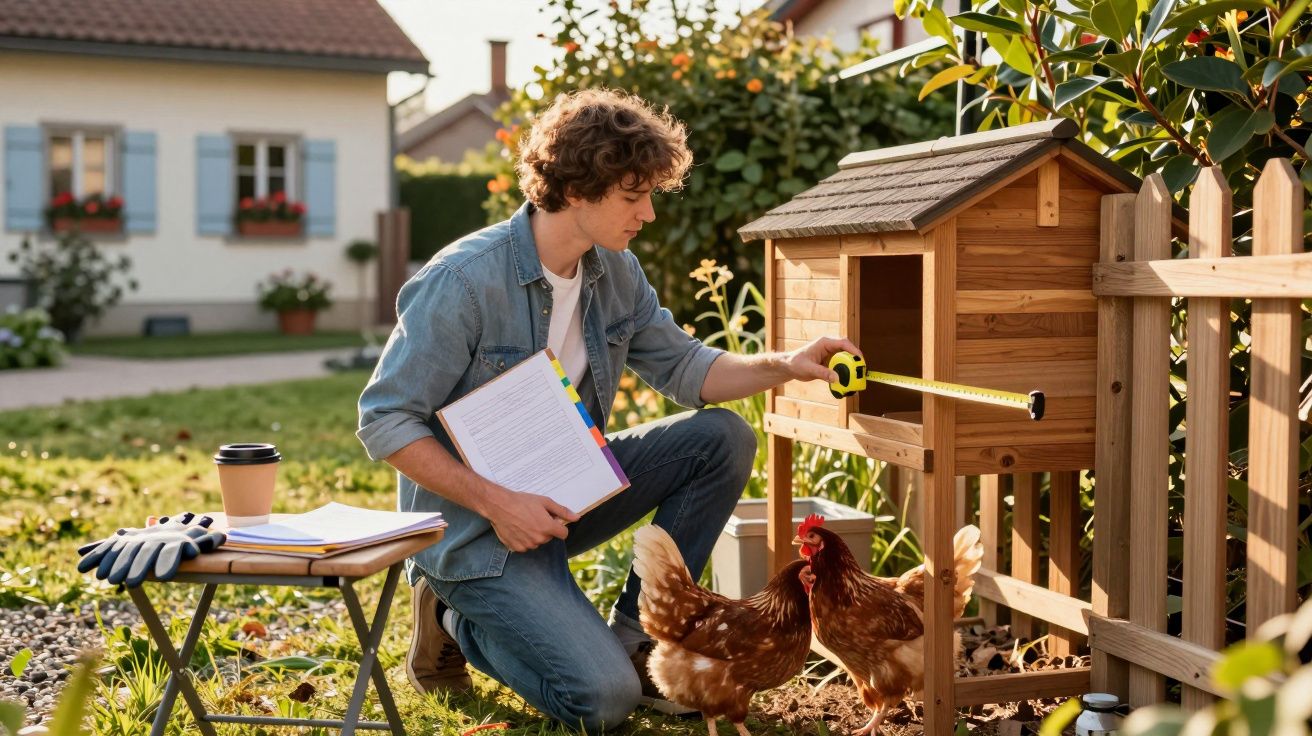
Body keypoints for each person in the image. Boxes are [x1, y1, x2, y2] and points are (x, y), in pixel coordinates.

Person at [356, 88, 859, 732]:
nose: (648, 213)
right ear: (573, 189)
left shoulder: (614, 273)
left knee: (722, 437)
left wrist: (786, 363)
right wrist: (495, 502)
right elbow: (385, 419)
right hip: (476, 531)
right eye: (632, 195)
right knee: (603, 702)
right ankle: (453, 617)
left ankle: (633, 636)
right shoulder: (462, 282)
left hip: (568, 497)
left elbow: (687, 369)